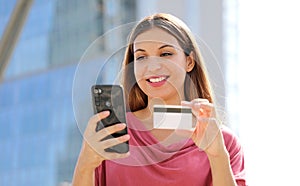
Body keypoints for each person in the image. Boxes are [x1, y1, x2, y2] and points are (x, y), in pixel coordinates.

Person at [72, 13, 247, 186]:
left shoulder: (222, 141)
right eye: (141, 57)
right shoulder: (111, 135)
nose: (153, 66)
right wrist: (85, 164)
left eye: (165, 54)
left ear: (189, 62)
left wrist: (217, 156)